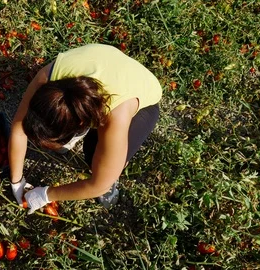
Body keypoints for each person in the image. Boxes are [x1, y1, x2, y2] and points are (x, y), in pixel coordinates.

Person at [9, 44, 162, 213]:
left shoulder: (115, 117)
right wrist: (16, 181)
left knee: (95, 155)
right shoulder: (45, 80)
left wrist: (46, 194)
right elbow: (19, 127)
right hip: (108, 66)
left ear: (80, 123)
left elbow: (99, 185)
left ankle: (114, 170)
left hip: (143, 93)